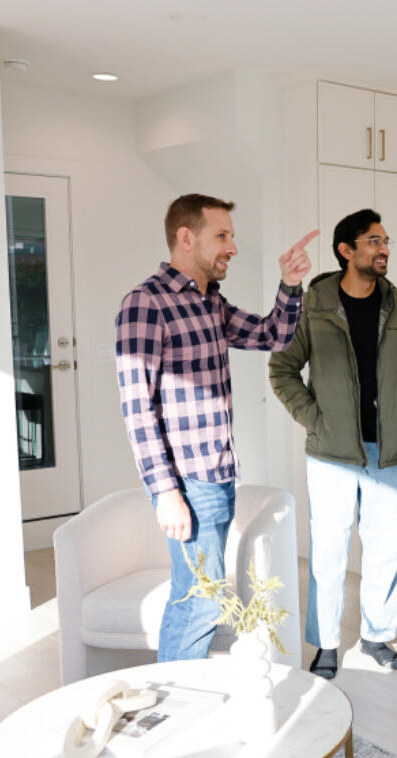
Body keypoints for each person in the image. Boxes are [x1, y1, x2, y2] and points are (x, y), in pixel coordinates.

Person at [115, 193, 318, 662]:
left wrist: (290, 285)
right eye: (221, 236)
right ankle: (173, 706)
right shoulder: (145, 304)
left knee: (201, 595)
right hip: (187, 481)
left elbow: (274, 335)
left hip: (219, 474)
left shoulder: (209, 301)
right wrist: (165, 491)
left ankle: (180, 700)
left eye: (232, 236)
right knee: (200, 601)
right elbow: (137, 408)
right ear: (186, 238)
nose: (232, 247)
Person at [269, 208, 397, 680]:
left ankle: (377, 636)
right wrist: (313, 417)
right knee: (330, 550)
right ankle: (325, 645)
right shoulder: (313, 302)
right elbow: (282, 369)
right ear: (346, 250)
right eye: (374, 241)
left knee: (383, 548)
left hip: (387, 450)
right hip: (331, 452)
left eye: (386, 241)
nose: (383, 249)